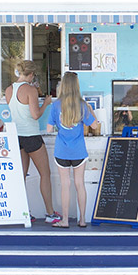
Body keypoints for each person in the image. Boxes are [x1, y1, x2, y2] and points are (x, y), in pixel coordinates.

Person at [4, 60, 60, 224]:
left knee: (21, 176)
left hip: (17, 136)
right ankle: (50, 214)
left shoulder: (8, 90)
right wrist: (46, 103)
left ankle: (21, 212)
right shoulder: (31, 90)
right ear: (31, 74)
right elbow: (36, 115)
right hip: (32, 136)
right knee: (45, 174)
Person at [46, 71, 99, 228]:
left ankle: (64, 221)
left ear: (63, 85)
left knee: (65, 185)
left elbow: (49, 129)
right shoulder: (82, 105)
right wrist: (90, 109)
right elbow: (94, 125)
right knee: (79, 184)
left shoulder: (56, 105)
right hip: (79, 152)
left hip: (62, 151)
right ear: (76, 86)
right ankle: (82, 220)